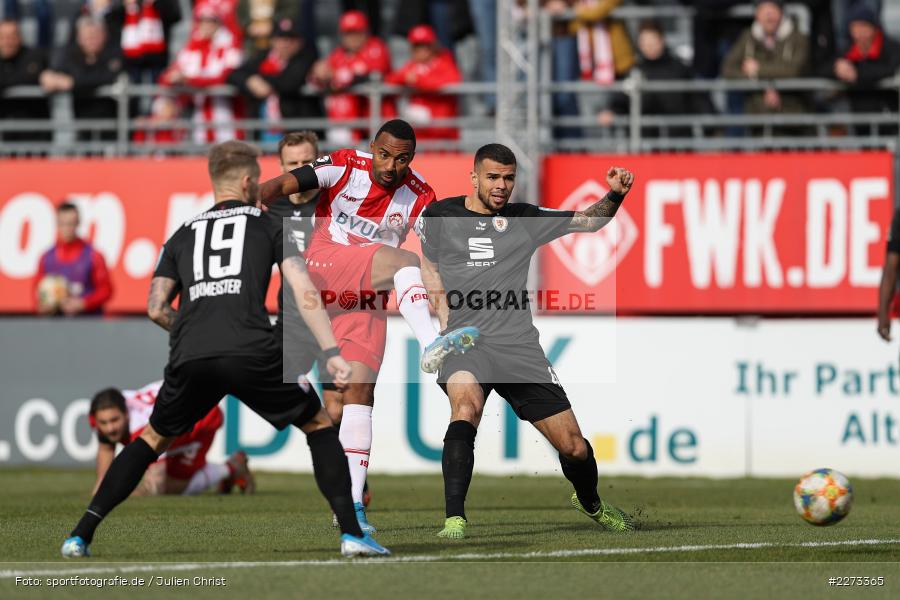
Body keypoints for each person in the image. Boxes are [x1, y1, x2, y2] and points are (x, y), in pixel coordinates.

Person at [60, 140, 389, 559]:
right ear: (250, 182)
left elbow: (155, 307)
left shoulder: (182, 233)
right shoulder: (268, 225)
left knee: (151, 439)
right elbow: (303, 288)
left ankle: (80, 535)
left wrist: (195, 330)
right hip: (252, 348)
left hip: (191, 353)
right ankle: (351, 534)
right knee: (320, 425)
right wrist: (332, 350)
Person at [259, 119, 479, 534]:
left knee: (359, 395)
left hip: (365, 297)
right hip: (324, 269)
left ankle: (354, 510)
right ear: (372, 147)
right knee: (403, 261)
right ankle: (431, 343)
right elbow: (278, 185)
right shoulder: (343, 165)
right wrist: (247, 206)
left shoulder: (419, 195)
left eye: (402, 158)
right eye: (384, 154)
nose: (391, 165)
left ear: (411, 159)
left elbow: (432, 262)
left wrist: (450, 306)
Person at [417, 143, 635, 539]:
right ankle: (454, 519)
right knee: (465, 410)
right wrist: (446, 323)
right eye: (493, 177)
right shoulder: (439, 215)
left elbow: (587, 222)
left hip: (518, 347)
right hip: (467, 345)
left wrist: (615, 194)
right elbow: (428, 264)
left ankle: (591, 503)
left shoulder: (525, 218)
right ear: (474, 177)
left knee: (574, 448)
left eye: (509, 178)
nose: (502, 186)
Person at [88, 382, 253, 497]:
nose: (110, 428)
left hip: (201, 419)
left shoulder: (144, 428)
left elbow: (155, 486)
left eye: (114, 420)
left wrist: (114, 495)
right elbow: (106, 445)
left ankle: (232, 467)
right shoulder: (109, 407)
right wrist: (100, 488)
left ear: (126, 413)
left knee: (172, 487)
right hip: (176, 415)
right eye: (104, 422)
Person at [599, 20, 713, 138]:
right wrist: (611, 110)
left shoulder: (680, 69)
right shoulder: (634, 71)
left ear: (661, 40)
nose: (649, 46)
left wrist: (710, 125)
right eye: (645, 42)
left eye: (653, 41)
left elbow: (699, 99)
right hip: (644, 141)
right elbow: (621, 99)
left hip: (677, 140)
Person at [227, 17, 322, 142]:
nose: (286, 43)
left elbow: (290, 82)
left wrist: (261, 80)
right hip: (264, 132)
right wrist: (250, 80)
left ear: (300, 41)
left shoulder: (306, 56)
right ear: (273, 40)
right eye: (281, 38)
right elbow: (233, 74)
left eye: (291, 38)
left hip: (296, 135)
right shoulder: (262, 56)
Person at [721, 0, 810, 132]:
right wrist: (764, 86)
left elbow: (793, 70)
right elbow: (728, 69)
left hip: (793, 118)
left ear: (781, 12)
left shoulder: (798, 38)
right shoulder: (748, 37)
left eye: (773, 8)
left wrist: (757, 70)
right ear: (757, 14)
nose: (769, 14)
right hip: (757, 119)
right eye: (763, 9)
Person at [160, 2, 243, 144]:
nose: (206, 25)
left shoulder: (230, 47)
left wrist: (189, 80)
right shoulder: (192, 47)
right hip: (199, 115)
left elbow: (225, 77)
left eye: (211, 21)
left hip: (226, 116)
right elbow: (167, 77)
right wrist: (178, 79)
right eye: (202, 21)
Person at [310, 10, 392, 145]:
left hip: (378, 119)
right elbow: (321, 76)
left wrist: (338, 76)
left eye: (356, 32)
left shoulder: (376, 47)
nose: (352, 37)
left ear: (365, 32)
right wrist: (318, 74)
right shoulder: (339, 54)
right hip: (351, 124)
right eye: (348, 33)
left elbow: (374, 77)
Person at [40, 16, 124, 142]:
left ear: (104, 36)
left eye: (95, 36)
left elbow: (107, 77)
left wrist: (72, 82)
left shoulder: (114, 54)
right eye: (87, 37)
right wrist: (48, 76)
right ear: (79, 38)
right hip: (82, 130)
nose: (91, 40)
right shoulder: (72, 56)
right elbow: (53, 74)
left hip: (112, 130)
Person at [829, 4, 900, 135]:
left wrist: (857, 74)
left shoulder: (890, 47)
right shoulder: (848, 50)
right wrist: (837, 69)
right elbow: (822, 67)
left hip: (887, 120)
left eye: (863, 25)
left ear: (873, 27)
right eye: (855, 26)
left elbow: (890, 68)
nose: (859, 31)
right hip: (858, 121)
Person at [33, 202, 113, 316]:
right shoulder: (46, 258)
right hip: (55, 324)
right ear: (57, 224)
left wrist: (83, 303)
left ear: (78, 223)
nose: (67, 228)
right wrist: (43, 306)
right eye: (63, 224)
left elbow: (106, 290)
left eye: (71, 224)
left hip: (87, 323)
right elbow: (36, 292)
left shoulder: (93, 256)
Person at [385, 25, 461, 141]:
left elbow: (453, 80)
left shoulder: (444, 61)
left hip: (443, 131)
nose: (421, 50)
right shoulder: (412, 65)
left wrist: (418, 80)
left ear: (433, 46)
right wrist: (405, 78)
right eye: (416, 46)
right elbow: (390, 80)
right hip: (420, 135)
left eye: (425, 46)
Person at [0, 18, 50, 142]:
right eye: (2, 37)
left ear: (20, 37)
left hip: (36, 132)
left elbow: (34, 76)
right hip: (5, 133)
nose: (7, 41)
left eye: (12, 36)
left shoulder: (34, 55)